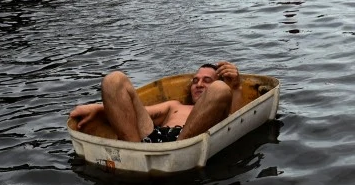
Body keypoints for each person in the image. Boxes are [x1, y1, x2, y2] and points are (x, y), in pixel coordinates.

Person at [69, 62, 243, 144]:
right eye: (195, 80)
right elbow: (131, 114)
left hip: (185, 142)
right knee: (113, 80)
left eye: (206, 80)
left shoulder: (221, 101)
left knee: (221, 88)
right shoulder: (175, 105)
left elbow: (235, 120)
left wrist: (235, 86)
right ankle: (134, 152)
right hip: (153, 138)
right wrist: (99, 109)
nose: (199, 84)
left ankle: (178, 151)